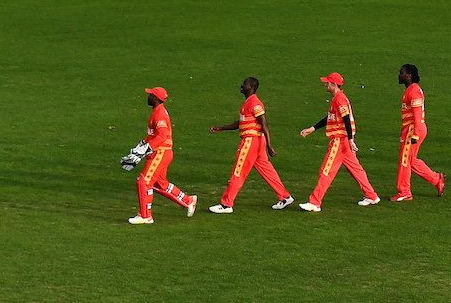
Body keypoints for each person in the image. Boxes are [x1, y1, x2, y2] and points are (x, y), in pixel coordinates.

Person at [207, 77, 293, 213]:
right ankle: (285, 197)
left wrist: (269, 145)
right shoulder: (248, 102)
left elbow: (264, 123)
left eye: (245, 84)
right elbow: (241, 123)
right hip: (257, 141)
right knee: (267, 170)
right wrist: (221, 128)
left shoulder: (254, 103)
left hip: (250, 142)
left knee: (238, 171)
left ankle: (226, 204)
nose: (242, 85)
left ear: (251, 87)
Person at [298, 72, 380, 211]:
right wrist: (313, 128)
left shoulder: (339, 99)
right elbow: (330, 117)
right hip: (344, 141)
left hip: (340, 141)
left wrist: (351, 140)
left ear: (334, 84)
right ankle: (371, 196)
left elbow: (346, 119)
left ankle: (315, 202)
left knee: (326, 170)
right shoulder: (338, 98)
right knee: (356, 170)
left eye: (327, 83)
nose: (325, 84)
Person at [128, 87, 198, 225]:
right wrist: (141, 145)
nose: (148, 97)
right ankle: (188, 200)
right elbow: (153, 135)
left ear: (155, 98)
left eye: (150, 95)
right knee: (159, 184)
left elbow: (162, 136)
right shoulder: (158, 111)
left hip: (160, 152)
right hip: (162, 152)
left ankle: (145, 216)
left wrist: (146, 148)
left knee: (143, 181)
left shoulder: (159, 114)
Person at [393, 63, 445, 201]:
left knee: (404, 160)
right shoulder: (412, 89)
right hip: (411, 128)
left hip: (413, 129)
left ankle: (404, 192)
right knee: (411, 160)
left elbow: (416, 114)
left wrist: (415, 134)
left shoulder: (413, 91)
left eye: (401, 73)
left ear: (408, 76)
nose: (399, 75)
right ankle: (436, 179)